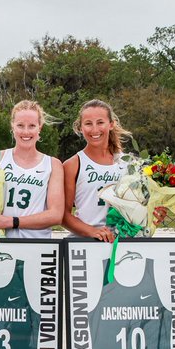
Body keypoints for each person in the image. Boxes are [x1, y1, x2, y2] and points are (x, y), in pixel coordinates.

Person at [0, 100, 64, 245]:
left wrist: (12, 222)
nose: (26, 132)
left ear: (40, 128)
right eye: (20, 125)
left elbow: (56, 215)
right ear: (12, 126)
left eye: (32, 126)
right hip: (0, 244)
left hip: (38, 246)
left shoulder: (53, 164)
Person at [62, 100, 131, 242]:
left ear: (111, 124)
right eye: (88, 123)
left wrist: (153, 215)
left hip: (122, 241)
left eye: (100, 122)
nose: (94, 129)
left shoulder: (128, 163)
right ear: (80, 127)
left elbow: (138, 207)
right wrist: (92, 231)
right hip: (86, 242)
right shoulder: (72, 164)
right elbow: (63, 215)